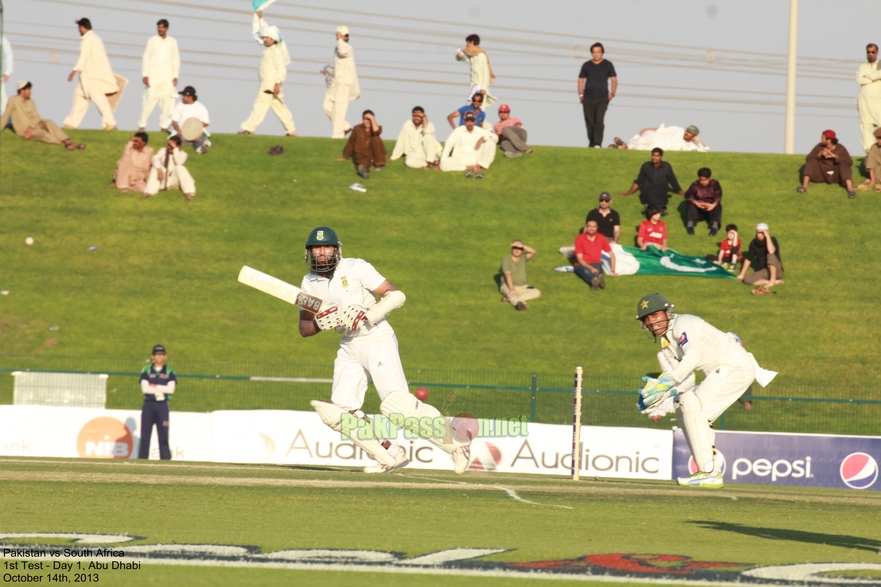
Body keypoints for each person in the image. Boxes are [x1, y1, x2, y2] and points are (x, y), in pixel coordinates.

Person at [298, 226, 471, 474]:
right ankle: (389, 455)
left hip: (376, 336)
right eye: (317, 248)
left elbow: (395, 295)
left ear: (337, 249)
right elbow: (304, 328)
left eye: (327, 247)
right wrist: (319, 323)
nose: (322, 253)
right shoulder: (309, 282)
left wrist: (366, 314)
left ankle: (457, 447)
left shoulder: (355, 267)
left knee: (396, 406)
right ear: (309, 252)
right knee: (340, 413)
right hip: (348, 346)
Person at [635, 294, 770, 488]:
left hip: (735, 366)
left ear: (667, 312)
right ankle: (706, 471)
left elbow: (693, 357)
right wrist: (662, 395)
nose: (651, 322)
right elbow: (687, 380)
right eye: (646, 319)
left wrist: (665, 382)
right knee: (683, 403)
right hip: (722, 370)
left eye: (655, 315)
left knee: (696, 411)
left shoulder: (683, 322)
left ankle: (710, 472)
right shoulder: (666, 345)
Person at [239, 10, 297, 137]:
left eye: (267, 38)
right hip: (268, 82)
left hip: (269, 83)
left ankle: (249, 128)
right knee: (278, 106)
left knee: (259, 104)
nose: (265, 39)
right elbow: (266, 28)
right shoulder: (269, 50)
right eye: (264, 37)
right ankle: (291, 129)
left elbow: (281, 68)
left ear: (273, 39)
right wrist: (260, 19)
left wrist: (277, 83)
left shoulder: (276, 51)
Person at [63, 18, 120, 131]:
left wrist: (74, 71)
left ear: (82, 27)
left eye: (79, 27)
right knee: (79, 98)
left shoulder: (88, 39)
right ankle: (71, 124)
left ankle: (110, 122)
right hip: (86, 75)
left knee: (99, 99)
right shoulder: (95, 38)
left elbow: (84, 56)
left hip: (91, 76)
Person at [0, 81, 85, 150]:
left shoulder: (30, 101)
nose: (31, 92)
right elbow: (6, 115)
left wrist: (31, 128)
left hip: (33, 125)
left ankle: (67, 142)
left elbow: (36, 116)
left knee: (49, 122)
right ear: (22, 91)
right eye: (29, 90)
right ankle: (70, 145)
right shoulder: (13, 100)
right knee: (44, 134)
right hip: (23, 129)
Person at [138, 19, 180, 133]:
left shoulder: (172, 42)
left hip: (167, 77)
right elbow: (146, 57)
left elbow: (175, 59)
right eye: (158, 27)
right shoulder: (152, 41)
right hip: (153, 76)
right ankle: (142, 126)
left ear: (167, 28)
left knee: (167, 103)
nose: (160, 29)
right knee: (149, 101)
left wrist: (175, 75)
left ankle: (164, 127)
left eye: (162, 27)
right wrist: (145, 74)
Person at [138, 344, 175, 460]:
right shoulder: (146, 370)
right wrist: (161, 388)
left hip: (162, 405)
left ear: (165, 357)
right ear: (152, 356)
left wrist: (154, 385)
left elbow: (171, 389)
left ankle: (165, 462)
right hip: (149, 404)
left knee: (163, 435)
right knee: (145, 436)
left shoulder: (169, 371)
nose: (159, 357)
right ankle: (142, 461)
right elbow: (145, 389)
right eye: (157, 355)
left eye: (161, 355)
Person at [322, 26, 359, 138]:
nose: (338, 37)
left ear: (346, 37)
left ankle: (337, 135)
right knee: (326, 105)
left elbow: (343, 51)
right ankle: (345, 126)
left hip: (344, 83)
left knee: (339, 110)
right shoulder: (337, 48)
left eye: (341, 35)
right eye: (337, 35)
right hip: (336, 82)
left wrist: (339, 39)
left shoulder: (348, 48)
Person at [620, 148, 684, 213]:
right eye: (653, 155)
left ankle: (653, 209)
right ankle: (658, 210)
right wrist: (627, 194)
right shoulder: (646, 166)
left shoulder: (666, 167)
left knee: (662, 199)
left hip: (661, 192)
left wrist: (684, 194)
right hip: (648, 191)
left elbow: (673, 181)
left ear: (661, 157)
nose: (654, 158)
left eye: (657, 156)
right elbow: (638, 182)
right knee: (651, 197)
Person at [577, 42, 617, 148]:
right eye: (594, 52)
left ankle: (597, 143)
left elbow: (614, 80)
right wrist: (581, 95)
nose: (596, 54)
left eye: (598, 52)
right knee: (590, 122)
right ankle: (592, 143)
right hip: (588, 98)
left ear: (602, 53)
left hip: (602, 98)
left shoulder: (608, 65)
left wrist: (612, 94)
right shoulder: (586, 65)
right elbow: (581, 80)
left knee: (599, 120)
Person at [798, 130, 856, 198]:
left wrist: (835, 156)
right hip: (821, 173)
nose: (820, 139)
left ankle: (850, 190)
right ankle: (804, 186)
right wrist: (819, 154)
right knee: (812, 161)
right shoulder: (819, 146)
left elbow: (849, 162)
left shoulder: (841, 148)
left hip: (835, 174)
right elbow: (808, 159)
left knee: (844, 164)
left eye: (822, 138)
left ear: (828, 140)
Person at [439, 111, 497, 178]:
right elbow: (449, 144)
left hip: (475, 158)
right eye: (467, 121)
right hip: (460, 159)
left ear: (474, 121)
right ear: (464, 121)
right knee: (443, 165)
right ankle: (467, 167)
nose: (470, 123)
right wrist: (442, 161)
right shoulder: (458, 130)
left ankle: (480, 165)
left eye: (472, 121)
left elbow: (495, 137)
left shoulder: (480, 131)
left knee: (491, 143)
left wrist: (483, 138)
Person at [736, 223, 783, 295]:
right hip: (764, 271)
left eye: (762, 232)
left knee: (770, 255)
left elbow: (771, 251)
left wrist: (767, 236)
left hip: (776, 270)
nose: (760, 234)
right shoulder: (753, 243)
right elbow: (749, 259)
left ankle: (772, 280)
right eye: (758, 232)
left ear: (767, 232)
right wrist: (742, 274)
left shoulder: (772, 240)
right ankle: (770, 281)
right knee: (747, 279)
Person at [144, 135, 196, 200]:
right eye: (168, 145)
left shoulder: (183, 154)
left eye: (171, 146)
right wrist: (159, 169)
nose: (169, 147)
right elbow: (155, 158)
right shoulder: (163, 150)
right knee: (155, 167)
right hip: (162, 177)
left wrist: (175, 150)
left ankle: (188, 192)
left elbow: (179, 163)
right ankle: (149, 191)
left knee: (180, 167)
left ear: (178, 146)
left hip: (174, 180)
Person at [340, 110, 386, 179]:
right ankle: (363, 170)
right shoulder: (357, 128)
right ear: (362, 119)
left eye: (369, 119)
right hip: (360, 153)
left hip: (373, 153)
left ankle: (377, 164)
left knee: (376, 138)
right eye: (365, 119)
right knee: (361, 161)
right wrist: (345, 156)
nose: (367, 121)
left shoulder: (377, 127)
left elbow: (376, 132)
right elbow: (351, 143)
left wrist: (372, 119)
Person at [574, 219, 617, 290]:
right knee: (586, 271)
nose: (591, 228)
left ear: (597, 228)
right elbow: (580, 259)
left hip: (596, 263)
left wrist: (613, 270)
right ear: (586, 227)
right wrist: (591, 268)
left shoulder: (601, 238)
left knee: (597, 270)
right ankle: (596, 281)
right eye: (589, 226)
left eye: (594, 227)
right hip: (581, 264)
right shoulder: (579, 239)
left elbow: (611, 254)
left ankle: (596, 282)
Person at [456, 34, 496, 106]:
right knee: (470, 106)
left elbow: (486, 72)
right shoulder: (473, 55)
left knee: (478, 107)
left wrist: (484, 88)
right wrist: (459, 56)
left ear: (472, 42)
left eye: (467, 43)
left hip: (480, 87)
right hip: (474, 86)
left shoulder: (481, 55)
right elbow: (466, 60)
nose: (466, 45)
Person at [499, 240, 540, 311]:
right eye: (515, 248)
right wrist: (512, 289)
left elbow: (533, 252)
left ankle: (510, 298)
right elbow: (507, 274)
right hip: (507, 285)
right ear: (511, 248)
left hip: (522, 286)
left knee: (536, 292)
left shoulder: (524, 257)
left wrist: (523, 245)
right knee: (512, 294)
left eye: (519, 248)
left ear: (522, 250)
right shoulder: (506, 259)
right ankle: (519, 304)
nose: (517, 250)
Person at [170, 86, 211, 153]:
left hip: (196, 132)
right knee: (173, 141)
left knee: (198, 139)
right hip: (182, 132)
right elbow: (174, 121)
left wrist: (195, 126)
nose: (182, 97)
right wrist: (178, 129)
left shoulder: (200, 107)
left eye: (184, 96)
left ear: (190, 97)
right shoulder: (179, 106)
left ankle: (200, 148)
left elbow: (206, 122)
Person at [856, 43, 881, 153]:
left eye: (873, 52)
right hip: (864, 101)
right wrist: (874, 78)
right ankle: (870, 153)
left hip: (877, 101)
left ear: (877, 52)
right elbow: (859, 80)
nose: (870, 54)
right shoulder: (863, 66)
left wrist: (869, 76)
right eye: (868, 52)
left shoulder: (880, 64)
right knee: (865, 127)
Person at [684, 167, 723, 236]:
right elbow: (688, 195)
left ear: (710, 178)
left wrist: (713, 205)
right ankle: (690, 226)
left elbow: (718, 195)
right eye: (701, 180)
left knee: (718, 205)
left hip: (710, 208)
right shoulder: (695, 185)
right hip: (698, 208)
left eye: (705, 180)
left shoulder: (715, 184)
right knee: (689, 204)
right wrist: (697, 203)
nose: (703, 182)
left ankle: (714, 227)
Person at [614, 124, 708, 152]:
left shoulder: (691, 147)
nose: (686, 133)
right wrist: (648, 128)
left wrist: (698, 141)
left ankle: (622, 146)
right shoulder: (678, 130)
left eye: (690, 133)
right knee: (642, 139)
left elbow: (705, 151)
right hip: (656, 138)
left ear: (694, 136)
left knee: (639, 149)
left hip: (658, 148)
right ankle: (624, 145)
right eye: (687, 130)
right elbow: (662, 130)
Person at [1, 35, 13, 114]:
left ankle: (4, 118)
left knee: (2, 97)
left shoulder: (2, 40)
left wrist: (7, 72)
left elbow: (8, 55)